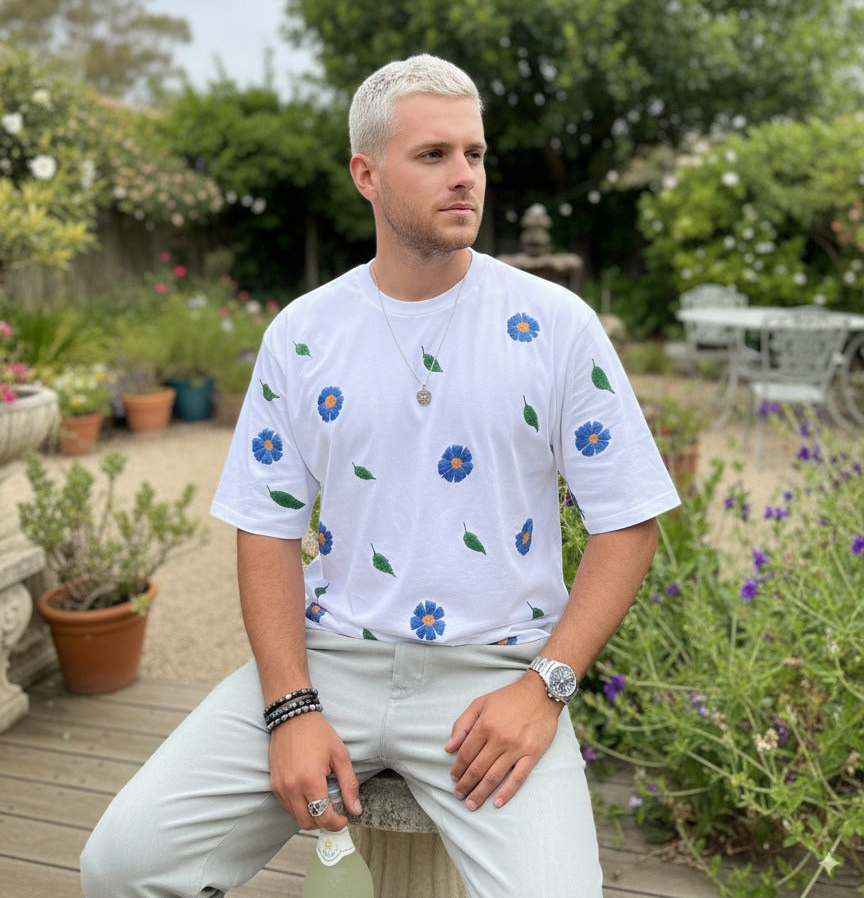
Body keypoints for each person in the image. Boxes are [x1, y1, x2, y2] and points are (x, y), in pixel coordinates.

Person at [80, 54, 680, 898]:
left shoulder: (556, 326)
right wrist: (290, 706)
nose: (464, 176)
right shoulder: (304, 333)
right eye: (433, 155)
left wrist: (546, 688)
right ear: (366, 174)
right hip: (330, 659)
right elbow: (268, 528)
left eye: (474, 154)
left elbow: (629, 519)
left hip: (497, 675)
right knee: (119, 868)